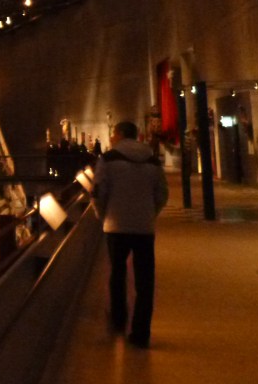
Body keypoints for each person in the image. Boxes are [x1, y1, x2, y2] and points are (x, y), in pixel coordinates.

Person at [91, 120, 168, 349]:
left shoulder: (108, 159)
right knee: (145, 281)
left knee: (117, 273)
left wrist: (103, 215)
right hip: (144, 228)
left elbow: (99, 191)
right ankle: (141, 331)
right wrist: (150, 213)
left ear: (121, 134)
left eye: (114, 134)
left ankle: (118, 318)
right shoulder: (152, 160)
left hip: (116, 226)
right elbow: (162, 193)